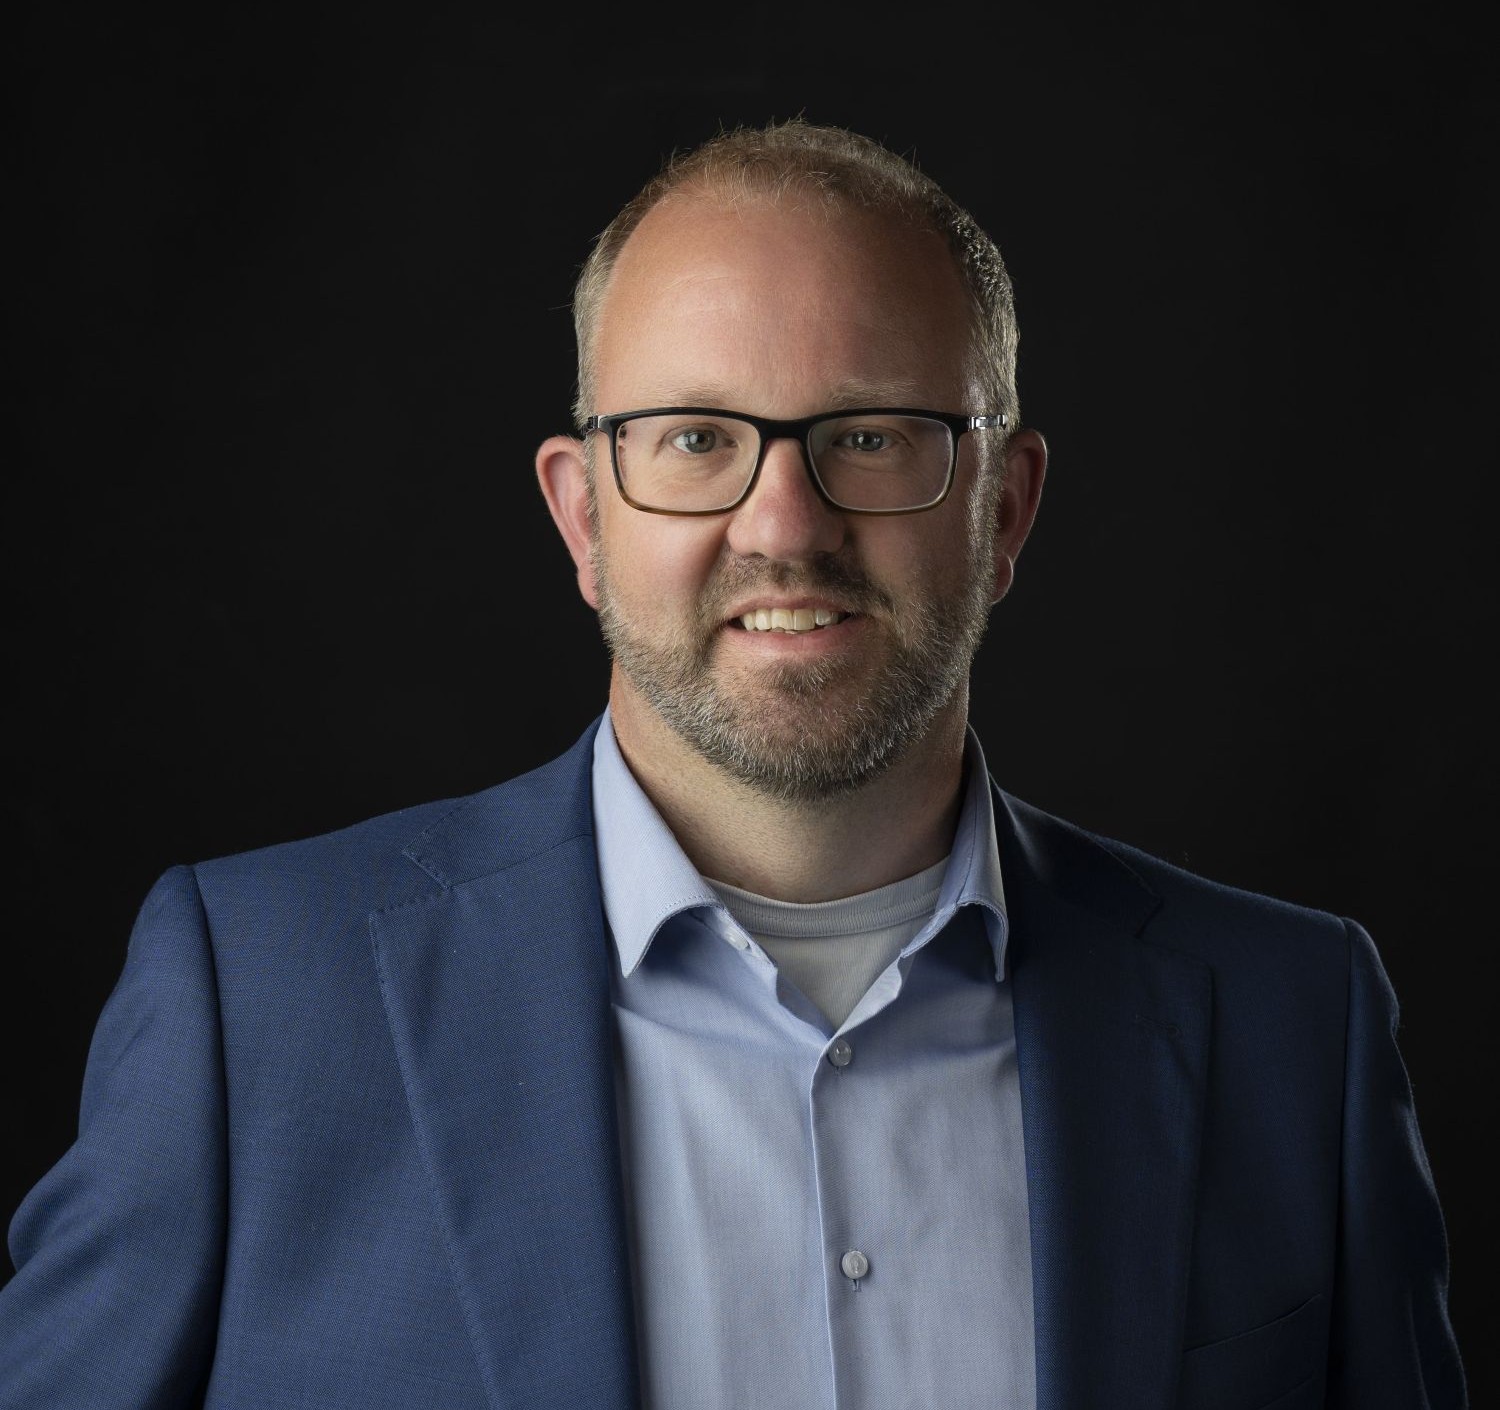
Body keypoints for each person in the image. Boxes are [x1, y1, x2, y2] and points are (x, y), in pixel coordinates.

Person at [0, 120, 1465, 1410]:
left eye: (871, 435)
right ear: (584, 519)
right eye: (697, 438)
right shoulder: (256, 1007)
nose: (784, 525)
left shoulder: (1295, 1032)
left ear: (1006, 509)